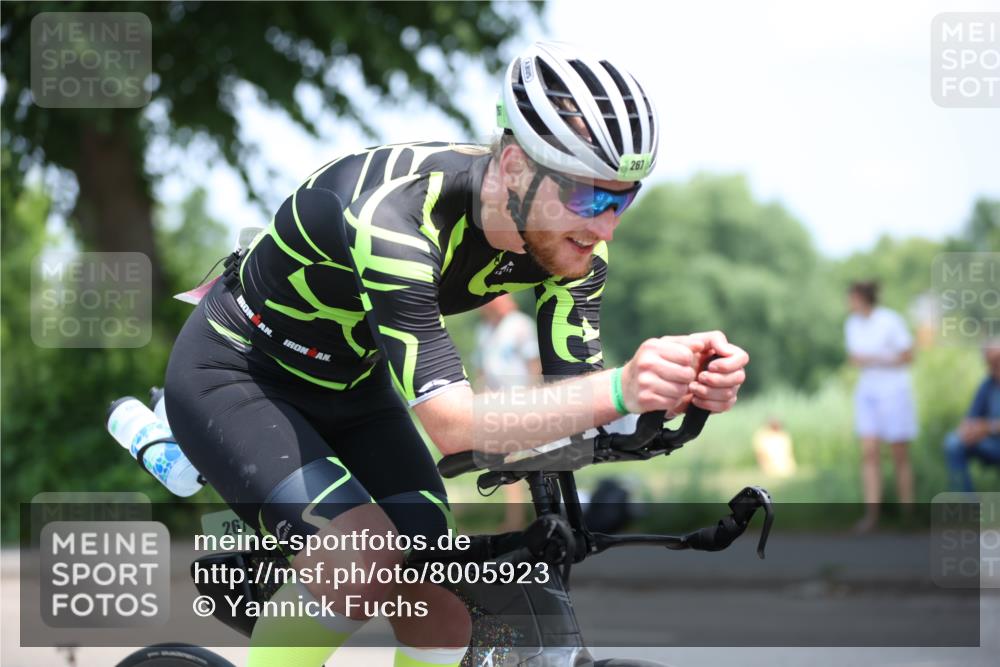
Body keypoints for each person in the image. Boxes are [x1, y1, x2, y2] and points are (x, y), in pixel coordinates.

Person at [164, 41, 750, 667]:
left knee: (442, 601)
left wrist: (672, 394)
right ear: (517, 166)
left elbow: (573, 407)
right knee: (362, 561)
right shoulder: (396, 218)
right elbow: (452, 425)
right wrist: (620, 387)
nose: (606, 227)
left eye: (623, 199)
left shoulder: (574, 249)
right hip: (239, 374)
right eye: (588, 198)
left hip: (355, 387)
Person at [844, 280, 917, 533]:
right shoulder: (851, 324)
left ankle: (908, 514)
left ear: (862, 298)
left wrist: (874, 358)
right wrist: (868, 360)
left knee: (899, 454)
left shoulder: (890, 320)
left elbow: (908, 356)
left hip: (894, 392)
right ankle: (872, 515)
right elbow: (854, 358)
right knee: (869, 453)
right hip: (868, 392)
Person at [473, 293, 540, 531]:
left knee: (527, 458)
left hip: (519, 401)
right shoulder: (484, 330)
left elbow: (534, 364)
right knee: (508, 460)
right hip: (496, 405)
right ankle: (516, 519)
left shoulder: (520, 325)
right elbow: (481, 369)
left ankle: (525, 518)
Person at [944, 339, 1000, 492]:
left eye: (998, 360)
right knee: (954, 443)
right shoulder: (988, 385)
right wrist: (967, 430)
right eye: (992, 363)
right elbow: (971, 417)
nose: (996, 366)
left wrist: (988, 428)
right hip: (992, 444)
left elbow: (986, 427)